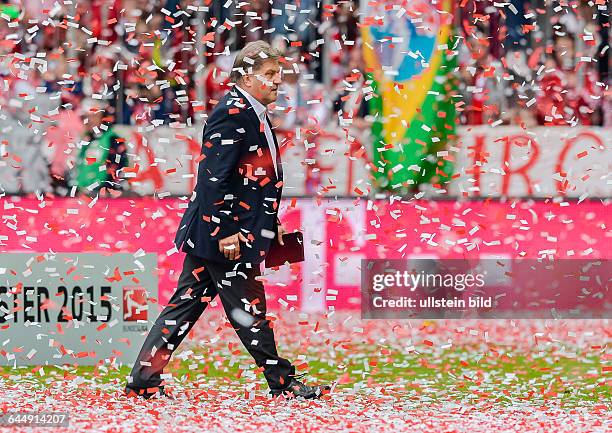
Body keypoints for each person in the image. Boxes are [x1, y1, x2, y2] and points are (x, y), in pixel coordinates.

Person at [125, 41, 330, 400]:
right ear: (245, 77)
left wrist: (271, 222)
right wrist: (225, 230)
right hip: (224, 238)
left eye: (278, 73)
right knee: (248, 308)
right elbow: (212, 178)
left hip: (220, 233)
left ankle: (144, 378)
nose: (277, 81)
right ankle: (281, 381)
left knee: (185, 307)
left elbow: (249, 179)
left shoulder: (251, 112)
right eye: (269, 74)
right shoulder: (232, 113)